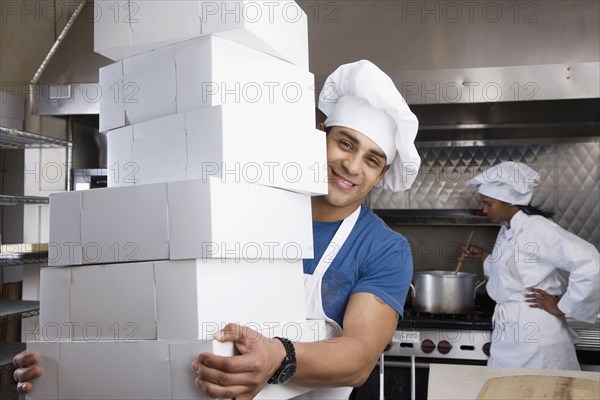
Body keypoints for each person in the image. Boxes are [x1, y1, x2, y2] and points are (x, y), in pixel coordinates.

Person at [13, 60, 420, 399]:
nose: (352, 166)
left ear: (382, 174)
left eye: (371, 159)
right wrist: (67, 362)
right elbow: (149, 296)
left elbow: (360, 357)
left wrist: (279, 358)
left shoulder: (384, 248)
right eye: (345, 144)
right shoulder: (244, 202)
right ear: (319, 138)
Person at [461, 161, 600, 371]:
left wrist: (563, 307)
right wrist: (486, 256)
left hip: (536, 337)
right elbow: (516, 273)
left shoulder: (538, 229)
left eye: (489, 203)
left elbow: (589, 261)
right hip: (508, 332)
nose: (485, 209)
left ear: (510, 202)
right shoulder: (508, 229)